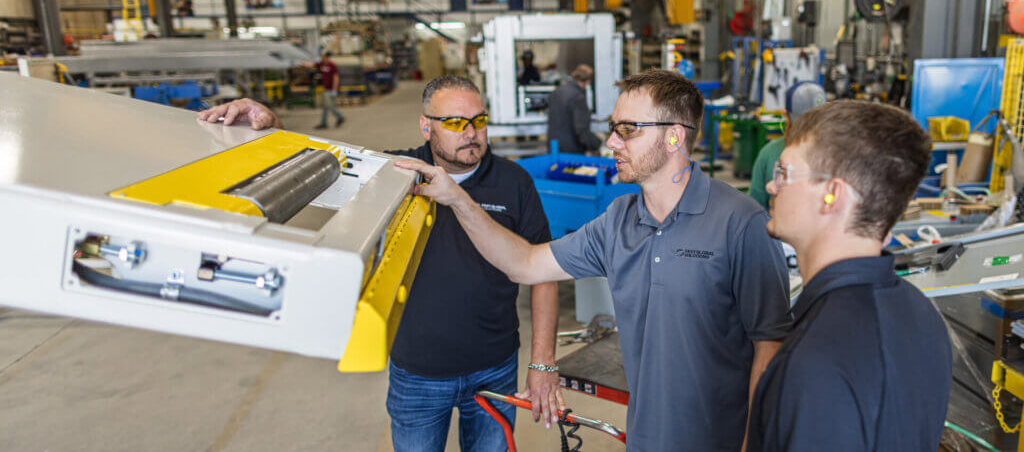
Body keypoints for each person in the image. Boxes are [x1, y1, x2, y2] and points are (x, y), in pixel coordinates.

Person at [398, 69, 792, 451]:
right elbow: (526, 263)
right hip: (645, 438)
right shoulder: (619, 221)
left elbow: (770, 346)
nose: (611, 143)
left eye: (628, 130)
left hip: (721, 439)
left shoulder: (741, 224)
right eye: (612, 128)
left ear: (674, 137)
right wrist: (458, 200)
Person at [197, 76, 564, 452]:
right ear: (426, 125)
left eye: (479, 121)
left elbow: (545, 273)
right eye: (455, 122)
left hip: (495, 366)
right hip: (418, 373)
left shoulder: (514, 182)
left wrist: (543, 363)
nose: (471, 133)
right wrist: (271, 131)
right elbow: (321, 168)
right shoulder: (394, 173)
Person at [746, 100, 952, 451]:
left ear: (832, 195)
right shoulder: (921, 312)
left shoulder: (815, 362)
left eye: (783, 173)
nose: (771, 186)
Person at [748, 82, 826, 210]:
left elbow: (754, 208)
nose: (771, 187)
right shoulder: (839, 154)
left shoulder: (769, 153)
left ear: (786, 115)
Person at [546, 64, 601, 154]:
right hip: (571, 150)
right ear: (588, 81)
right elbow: (581, 130)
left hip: (553, 147)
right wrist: (595, 146)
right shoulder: (578, 97)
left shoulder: (556, 92)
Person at [314, 51, 345, 129]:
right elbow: (312, 65)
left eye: (324, 57)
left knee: (330, 105)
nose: (322, 58)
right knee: (325, 107)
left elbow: (336, 78)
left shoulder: (332, 66)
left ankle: (340, 117)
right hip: (325, 89)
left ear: (327, 57)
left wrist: (334, 89)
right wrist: (302, 63)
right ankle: (323, 123)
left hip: (330, 90)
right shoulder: (322, 64)